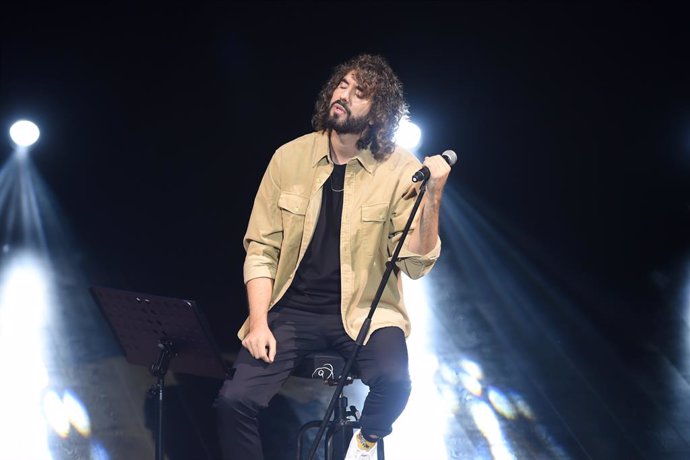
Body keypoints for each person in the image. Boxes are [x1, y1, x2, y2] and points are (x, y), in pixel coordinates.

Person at [215, 53, 450, 460]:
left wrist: (433, 196)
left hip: (365, 312)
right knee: (234, 400)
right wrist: (258, 322)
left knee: (396, 381)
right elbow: (261, 250)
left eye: (360, 94)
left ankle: (362, 445)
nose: (344, 96)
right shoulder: (288, 158)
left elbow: (414, 264)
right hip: (292, 312)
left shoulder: (399, 168)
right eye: (342, 86)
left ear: (378, 115)